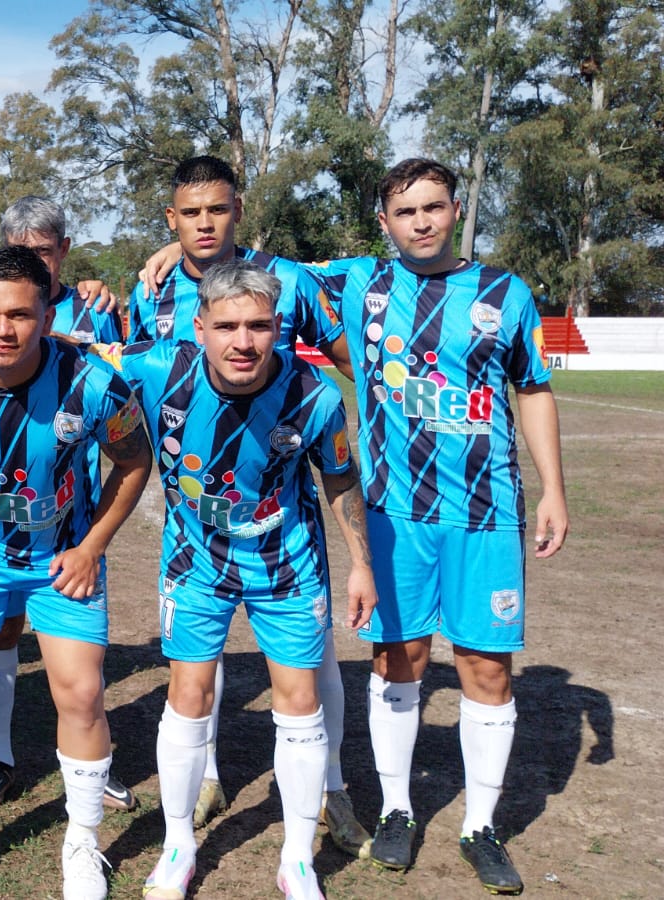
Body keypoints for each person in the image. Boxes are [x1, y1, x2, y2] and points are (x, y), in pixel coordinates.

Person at [310, 158, 568, 895]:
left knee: (487, 667)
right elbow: (248, 260)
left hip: (487, 513)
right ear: (384, 223)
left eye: (432, 207)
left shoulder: (504, 293)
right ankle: (396, 810)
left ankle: (480, 827)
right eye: (404, 211)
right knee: (399, 658)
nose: (420, 221)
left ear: (456, 210)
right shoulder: (359, 284)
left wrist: (554, 489)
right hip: (395, 515)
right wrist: (169, 252)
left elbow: (534, 390)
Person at [90, 260, 376, 900]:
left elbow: (338, 476)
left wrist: (360, 563)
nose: (243, 341)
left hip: (287, 567)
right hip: (195, 567)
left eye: (258, 326)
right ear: (199, 328)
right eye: (226, 327)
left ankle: (297, 860)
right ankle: (178, 847)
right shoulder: (156, 368)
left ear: (278, 327)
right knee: (188, 696)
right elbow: (64, 351)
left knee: (299, 704)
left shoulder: (314, 395)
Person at [125, 156, 367, 853]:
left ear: (239, 210)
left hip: (282, 513)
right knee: (197, 662)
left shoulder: (291, 281)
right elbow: (126, 370)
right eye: (190, 213)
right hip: (198, 516)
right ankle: (202, 779)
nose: (205, 223)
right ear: (172, 219)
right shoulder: (154, 288)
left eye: (218, 209)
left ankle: (332, 788)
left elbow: (351, 359)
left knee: (316, 662)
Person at [0, 246, 153, 900]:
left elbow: (134, 462)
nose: (3, 329)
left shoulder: (93, 382)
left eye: (19, 314)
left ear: (47, 316)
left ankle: (82, 843)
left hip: (60, 563)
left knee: (83, 694)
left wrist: (93, 545)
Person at [0, 195, 141, 814]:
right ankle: (0, 753)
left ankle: (94, 772)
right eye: (21, 251)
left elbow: (127, 377)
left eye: (43, 251)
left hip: (68, 517)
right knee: (1, 636)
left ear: (63, 250)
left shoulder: (99, 310)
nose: (34, 261)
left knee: (80, 672)